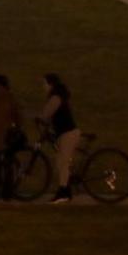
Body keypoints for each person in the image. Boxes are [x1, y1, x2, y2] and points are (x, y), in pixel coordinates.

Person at [38, 73, 80, 202]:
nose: (43, 87)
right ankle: (66, 190)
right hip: (65, 133)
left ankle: (63, 192)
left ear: (51, 84)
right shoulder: (59, 95)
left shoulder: (56, 97)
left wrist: (39, 118)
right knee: (60, 162)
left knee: (63, 163)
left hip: (67, 133)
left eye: (45, 83)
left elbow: (47, 112)